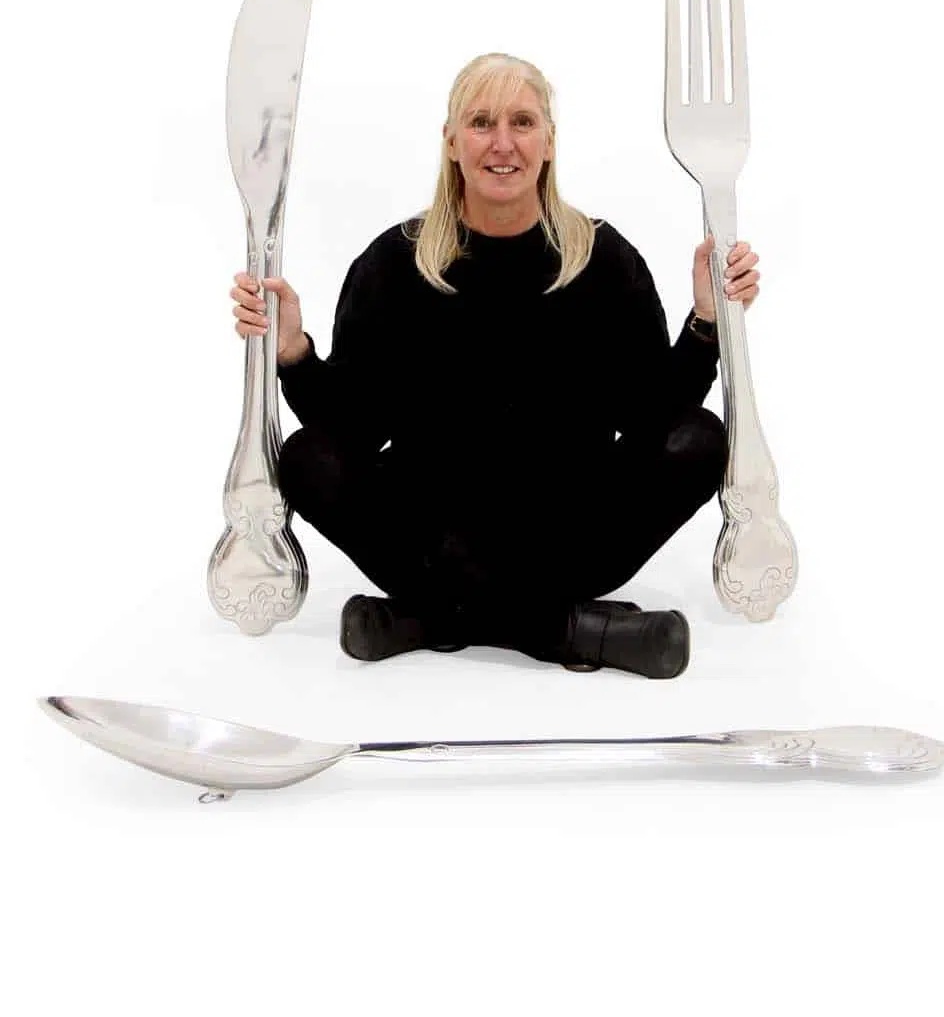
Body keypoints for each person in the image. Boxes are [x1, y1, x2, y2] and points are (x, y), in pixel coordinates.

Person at [228, 53, 761, 679]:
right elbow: (353, 429)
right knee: (306, 457)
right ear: (452, 142)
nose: (502, 143)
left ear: (549, 141)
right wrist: (292, 352)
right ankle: (564, 629)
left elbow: (652, 417)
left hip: (570, 536)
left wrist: (705, 323)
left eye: (522, 122)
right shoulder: (393, 264)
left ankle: (432, 619)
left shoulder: (605, 259)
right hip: (432, 535)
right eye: (481, 122)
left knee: (698, 439)